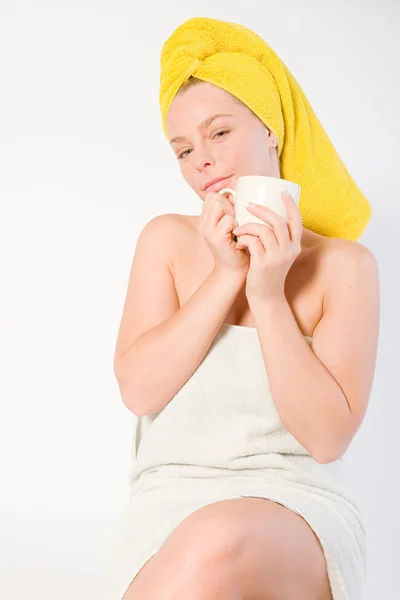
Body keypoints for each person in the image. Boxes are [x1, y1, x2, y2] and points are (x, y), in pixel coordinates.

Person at [97, 17, 380, 600]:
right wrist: (227, 276)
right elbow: (139, 391)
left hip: (296, 507)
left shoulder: (344, 267)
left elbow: (327, 440)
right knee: (204, 541)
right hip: (167, 506)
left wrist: (268, 296)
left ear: (271, 129)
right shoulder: (167, 243)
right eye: (183, 149)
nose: (201, 160)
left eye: (219, 132)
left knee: (219, 537)